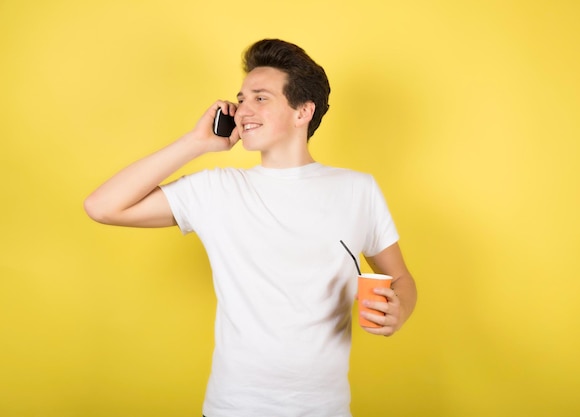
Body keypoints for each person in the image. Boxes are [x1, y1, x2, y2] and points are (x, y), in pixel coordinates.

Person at [84, 38, 417, 417]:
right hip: (234, 408)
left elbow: (401, 278)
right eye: (241, 99)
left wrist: (399, 311)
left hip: (326, 410)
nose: (243, 110)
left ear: (302, 112)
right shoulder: (216, 189)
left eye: (260, 98)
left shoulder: (357, 189)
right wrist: (196, 142)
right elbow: (103, 206)